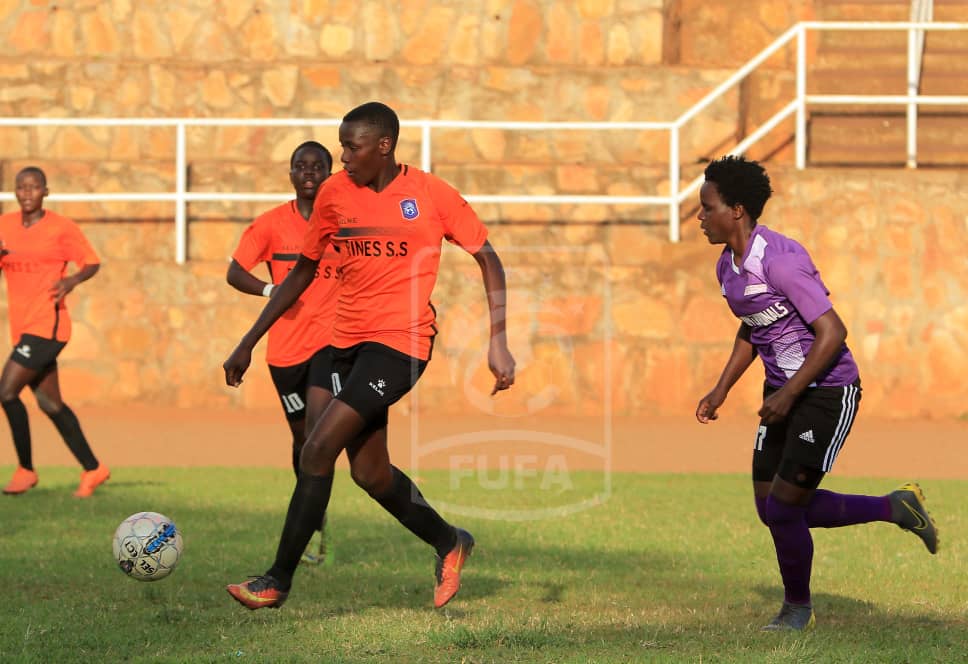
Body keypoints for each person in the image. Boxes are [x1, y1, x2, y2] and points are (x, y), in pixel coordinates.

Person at [222, 101, 516, 611]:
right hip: (346, 346)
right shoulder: (335, 194)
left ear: (384, 146)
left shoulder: (431, 194)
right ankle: (450, 541)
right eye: (341, 145)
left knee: (316, 449)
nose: (342, 157)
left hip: (401, 344)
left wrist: (499, 340)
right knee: (370, 473)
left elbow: (488, 259)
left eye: (351, 147)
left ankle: (276, 581)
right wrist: (248, 340)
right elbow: (302, 271)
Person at [694, 155, 938, 631]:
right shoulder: (728, 267)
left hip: (827, 392)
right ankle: (894, 506)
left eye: (708, 207)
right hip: (782, 391)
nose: (700, 216)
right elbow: (753, 327)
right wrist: (721, 389)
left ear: (736, 210)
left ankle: (796, 609)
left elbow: (833, 332)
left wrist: (788, 395)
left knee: (785, 508)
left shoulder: (780, 262)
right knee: (771, 508)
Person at [226, 140, 347, 564]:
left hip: (331, 344)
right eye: (301, 165)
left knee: (316, 433)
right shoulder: (271, 225)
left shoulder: (345, 223)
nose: (309, 171)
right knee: (302, 441)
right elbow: (235, 271)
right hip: (285, 352)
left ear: (330, 173)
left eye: (318, 166)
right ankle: (314, 515)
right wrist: (269, 290)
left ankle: (310, 531)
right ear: (291, 173)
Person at [0, 167, 109, 498]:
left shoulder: (61, 228)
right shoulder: (4, 226)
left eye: (34, 187)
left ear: (45, 192)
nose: (27, 193)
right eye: (21, 187)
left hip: (49, 326)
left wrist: (72, 280)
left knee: (6, 392)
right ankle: (93, 469)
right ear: (15, 192)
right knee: (50, 403)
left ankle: (26, 470)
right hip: (23, 328)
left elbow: (91, 262)